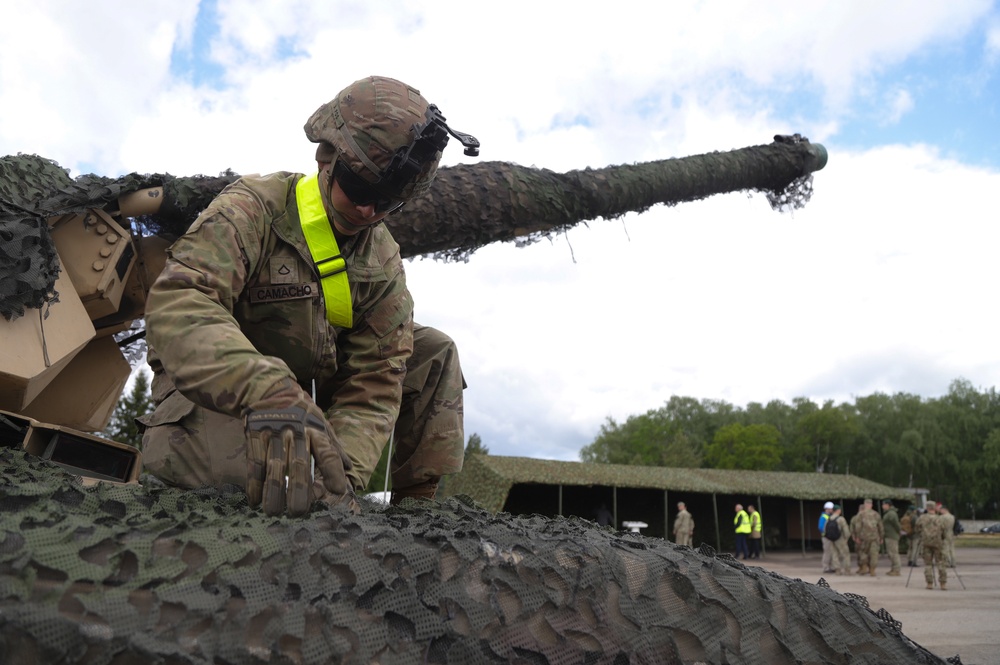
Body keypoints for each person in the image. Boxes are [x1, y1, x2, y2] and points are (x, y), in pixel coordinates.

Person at [139, 76, 478, 516]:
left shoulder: (382, 259)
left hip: (304, 406)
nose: (368, 211)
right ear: (327, 155)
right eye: (359, 188)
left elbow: (375, 380)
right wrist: (264, 388)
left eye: (388, 200)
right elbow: (181, 306)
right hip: (217, 388)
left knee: (432, 350)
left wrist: (339, 478)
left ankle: (417, 518)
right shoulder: (252, 208)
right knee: (243, 498)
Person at [915, 503, 947, 590]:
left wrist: (922, 534)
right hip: (938, 543)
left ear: (927, 508)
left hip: (926, 543)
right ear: (935, 508)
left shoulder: (922, 518)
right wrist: (942, 538)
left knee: (928, 564)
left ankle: (929, 583)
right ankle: (943, 583)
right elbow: (944, 530)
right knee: (940, 562)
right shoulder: (940, 518)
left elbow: (917, 528)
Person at [855, 498, 884, 576]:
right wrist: (881, 537)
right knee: (874, 554)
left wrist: (857, 537)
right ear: (871, 505)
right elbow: (880, 527)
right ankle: (872, 570)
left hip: (864, 538)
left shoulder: (860, 514)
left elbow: (858, 527)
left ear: (865, 505)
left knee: (863, 553)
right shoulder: (876, 514)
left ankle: (864, 568)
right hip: (874, 538)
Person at [828, 505, 852, 575]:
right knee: (845, 554)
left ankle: (837, 570)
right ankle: (847, 570)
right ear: (838, 510)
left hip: (832, 539)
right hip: (840, 539)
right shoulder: (841, 519)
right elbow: (846, 530)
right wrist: (847, 538)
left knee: (834, 554)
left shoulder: (829, 519)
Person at [881, 499, 902, 576]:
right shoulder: (888, 513)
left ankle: (896, 569)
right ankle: (893, 568)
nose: (882, 506)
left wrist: (899, 531)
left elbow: (896, 524)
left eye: (883, 504)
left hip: (892, 536)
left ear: (888, 505)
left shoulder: (891, 514)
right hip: (888, 535)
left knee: (893, 553)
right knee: (891, 553)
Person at [819, 501, 835, 573]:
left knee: (831, 552)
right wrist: (826, 534)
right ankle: (826, 567)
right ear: (827, 509)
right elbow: (820, 527)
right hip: (826, 537)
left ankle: (830, 566)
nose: (832, 510)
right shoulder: (824, 517)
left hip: (829, 537)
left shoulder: (829, 516)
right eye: (831, 509)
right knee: (827, 552)